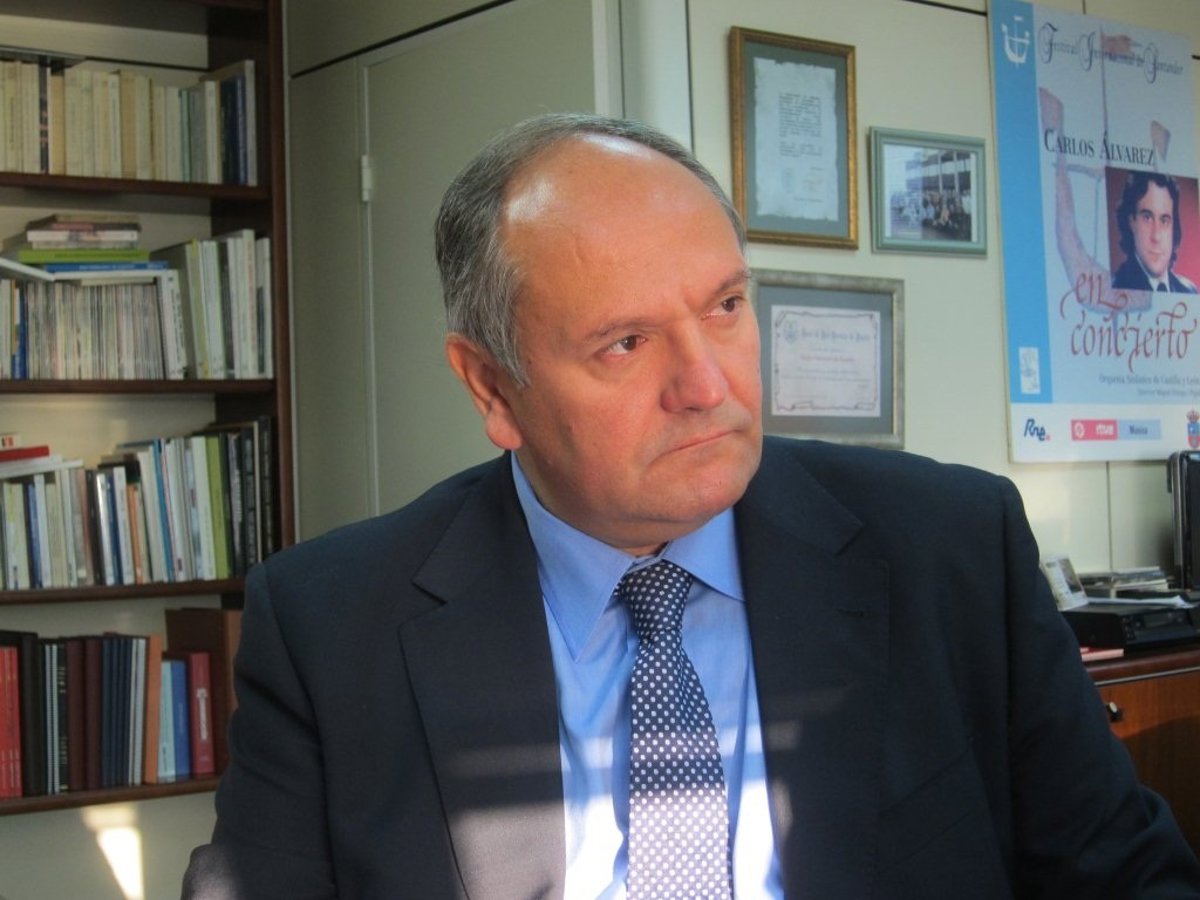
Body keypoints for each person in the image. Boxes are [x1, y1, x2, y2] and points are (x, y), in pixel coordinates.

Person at [182, 113, 1200, 899]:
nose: (707, 385)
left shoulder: (951, 549)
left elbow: (1127, 878)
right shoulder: (330, 623)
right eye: (625, 343)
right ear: (491, 387)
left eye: (725, 306)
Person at [1112, 171, 1198, 294]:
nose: (1156, 236)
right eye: (1147, 218)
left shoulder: (1189, 291)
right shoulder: (1115, 287)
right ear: (1131, 221)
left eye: (1164, 220)